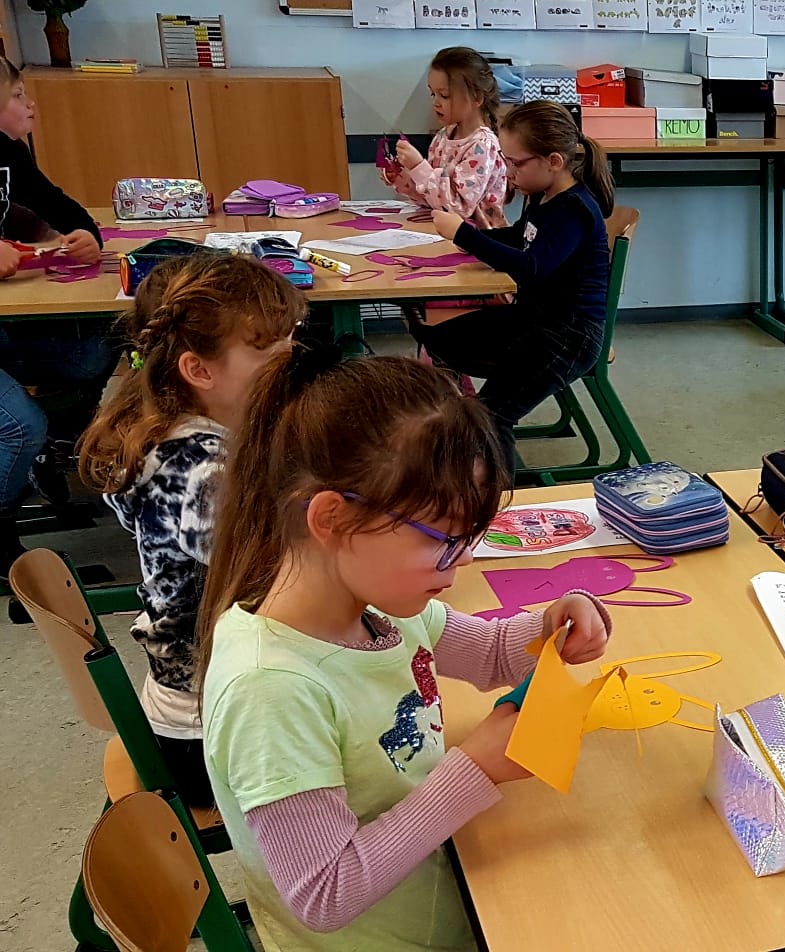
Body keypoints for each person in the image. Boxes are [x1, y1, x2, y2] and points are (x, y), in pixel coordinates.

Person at [198, 352, 612, 951]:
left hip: (446, 888)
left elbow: (491, 653)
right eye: (445, 541)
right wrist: (475, 768)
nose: (462, 562)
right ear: (332, 518)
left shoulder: (375, 609)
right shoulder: (272, 691)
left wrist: (553, 626)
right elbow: (324, 895)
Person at [76, 255, 303, 809]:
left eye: (290, 339)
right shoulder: (206, 470)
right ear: (198, 371)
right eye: (269, 350)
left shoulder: (158, 430)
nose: (291, 358)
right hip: (214, 736)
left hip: (184, 708)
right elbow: (285, 583)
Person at [419, 101, 613, 473]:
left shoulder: (573, 210)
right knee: (438, 342)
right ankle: (456, 440)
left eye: (515, 163)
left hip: (570, 336)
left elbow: (532, 267)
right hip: (537, 320)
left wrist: (464, 235)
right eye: (505, 161)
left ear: (553, 161)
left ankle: (501, 498)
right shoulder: (541, 195)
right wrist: (469, 238)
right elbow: (519, 237)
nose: (508, 172)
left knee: (494, 415)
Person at [0, 56, 118, 563]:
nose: (30, 105)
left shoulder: (9, 151)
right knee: (18, 425)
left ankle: (56, 446)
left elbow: (57, 204)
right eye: (17, 96)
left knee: (99, 344)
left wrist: (86, 235)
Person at [384, 47, 509, 231]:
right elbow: (434, 198)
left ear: (477, 98)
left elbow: (459, 208)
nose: (435, 102)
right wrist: (404, 177)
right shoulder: (442, 137)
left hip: (479, 240)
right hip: (445, 235)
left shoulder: (483, 145)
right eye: (432, 94)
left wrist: (418, 166)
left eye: (444, 96)